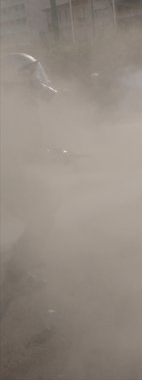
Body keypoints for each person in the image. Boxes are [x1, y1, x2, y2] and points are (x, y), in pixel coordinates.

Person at [0, 53, 58, 292]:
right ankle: (17, 272)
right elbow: (10, 146)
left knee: (43, 208)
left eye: (35, 72)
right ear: (16, 77)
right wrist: (44, 155)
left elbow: (28, 142)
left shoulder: (21, 99)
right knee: (42, 211)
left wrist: (51, 151)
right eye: (29, 73)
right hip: (7, 174)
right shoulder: (11, 101)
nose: (36, 78)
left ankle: (22, 261)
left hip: (11, 171)